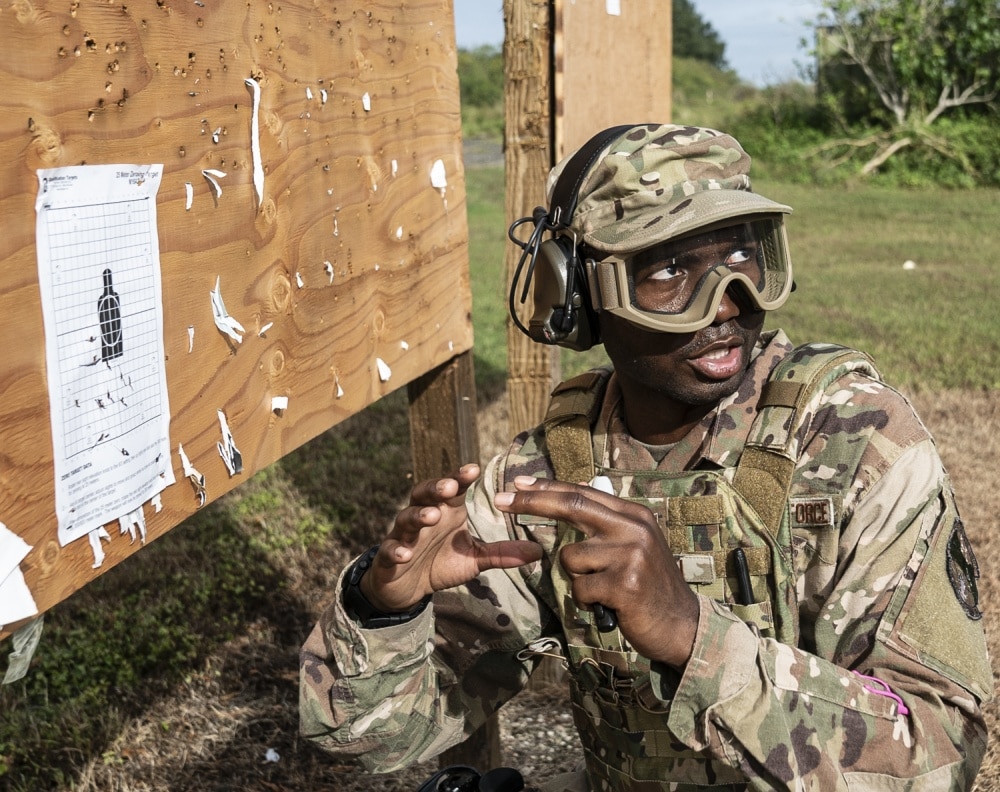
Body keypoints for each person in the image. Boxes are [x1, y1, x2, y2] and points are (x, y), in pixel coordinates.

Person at [299, 124, 992, 791]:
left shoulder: (853, 442)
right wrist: (385, 608)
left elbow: (941, 754)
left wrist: (693, 634)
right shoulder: (546, 477)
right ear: (577, 292)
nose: (724, 305)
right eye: (669, 270)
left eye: (743, 259)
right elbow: (369, 735)